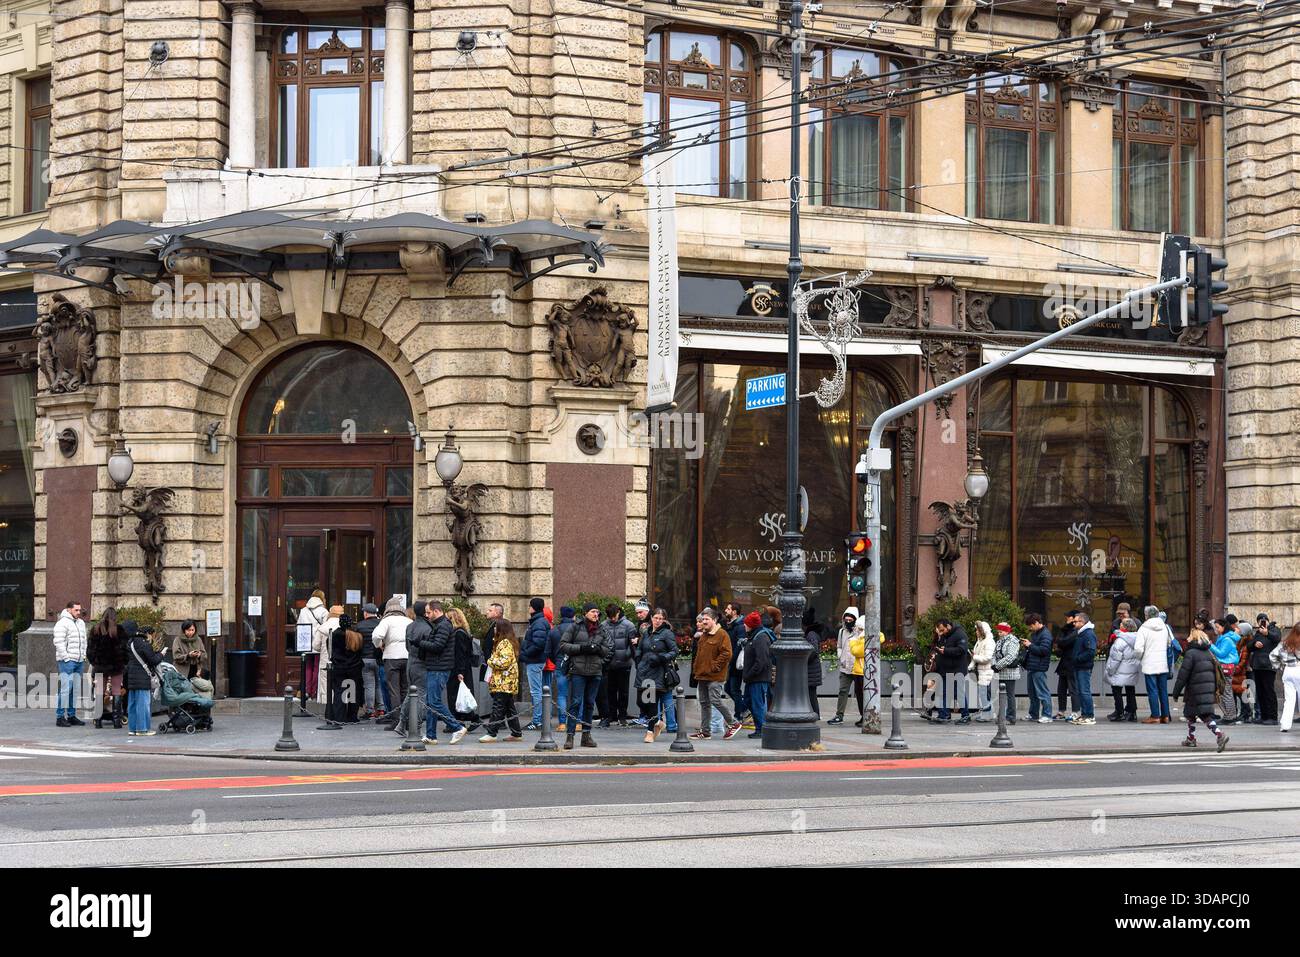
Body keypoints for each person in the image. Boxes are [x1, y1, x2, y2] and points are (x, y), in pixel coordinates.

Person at [412, 601, 468, 744]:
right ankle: (431, 735)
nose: (427, 615)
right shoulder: (441, 624)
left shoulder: (443, 625)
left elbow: (438, 646)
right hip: (436, 667)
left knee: (434, 702)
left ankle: (457, 727)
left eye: (428, 612)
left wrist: (420, 643)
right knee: (431, 703)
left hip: (439, 668)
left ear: (436, 611)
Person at [559, 603, 612, 748]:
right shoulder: (575, 626)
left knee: (589, 703)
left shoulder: (602, 629)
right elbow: (563, 645)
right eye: (593, 611)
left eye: (597, 612)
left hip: (595, 671)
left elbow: (608, 649)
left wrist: (598, 650)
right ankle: (570, 736)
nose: (596, 614)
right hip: (578, 671)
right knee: (575, 702)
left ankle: (586, 736)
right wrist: (582, 648)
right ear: (585, 613)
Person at [1172, 629, 1229, 751]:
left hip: (1195, 690)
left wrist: (1176, 692)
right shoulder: (1209, 652)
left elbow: (1183, 675)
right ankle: (1191, 738)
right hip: (1207, 689)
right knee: (1191, 714)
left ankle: (1219, 734)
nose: (1187, 638)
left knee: (1204, 716)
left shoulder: (1191, 653)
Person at [691, 607, 740, 740]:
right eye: (703, 619)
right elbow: (700, 655)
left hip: (715, 676)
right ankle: (705, 731)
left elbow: (727, 654)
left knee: (715, 700)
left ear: (714, 620)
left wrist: (714, 667)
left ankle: (734, 723)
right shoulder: (704, 635)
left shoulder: (722, 634)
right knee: (704, 703)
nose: (704, 621)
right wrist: (697, 668)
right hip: (702, 675)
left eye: (707, 619)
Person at [637, 608, 678, 742]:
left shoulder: (667, 633)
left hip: (658, 671)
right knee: (642, 702)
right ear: (651, 618)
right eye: (656, 618)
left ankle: (650, 732)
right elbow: (640, 648)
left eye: (661, 618)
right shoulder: (646, 632)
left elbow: (674, 651)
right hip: (644, 670)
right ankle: (658, 723)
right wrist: (638, 658)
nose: (658, 621)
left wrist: (661, 658)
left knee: (652, 702)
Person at [479, 620, 524, 742]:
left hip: (503, 682)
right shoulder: (507, 642)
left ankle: (491, 733)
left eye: (495, 628)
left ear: (501, 630)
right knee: (509, 708)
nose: (494, 630)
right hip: (506, 682)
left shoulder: (504, 643)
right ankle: (516, 733)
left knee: (498, 707)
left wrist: (490, 660)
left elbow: (503, 662)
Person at [371, 597, 410, 730]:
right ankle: (407, 720)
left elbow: (376, 636)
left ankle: (397, 721)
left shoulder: (386, 620)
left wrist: (380, 645)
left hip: (392, 657)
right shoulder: (408, 620)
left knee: (394, 691)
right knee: (406, 689)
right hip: (407, 657)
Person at [87, 607, 126, 729]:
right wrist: (123, 662)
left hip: (100, 666)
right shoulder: (119, 630)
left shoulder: (95, 629)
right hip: (116, 666)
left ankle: (98, 720)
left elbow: (90, 650)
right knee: (116, 691)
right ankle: (116, 721)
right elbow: (125, 650)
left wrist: (94, 662)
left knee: (99, 692)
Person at [599, 603, 637, 727]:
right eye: (610, 617)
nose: (613, 619)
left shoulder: (629, 625)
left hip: (624, 663)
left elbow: (632, 645)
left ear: (618, 612)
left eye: (614, 616)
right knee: (610, 691)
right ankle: (612, 715)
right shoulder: (604, 625)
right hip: (609, 664)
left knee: (623, 692)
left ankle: (622, 716)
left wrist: (626, 656)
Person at [1135, 605, 1174, 724]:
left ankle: (1155, 715)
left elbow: (1138, 649)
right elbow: (1170, 644)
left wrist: (1141, 658)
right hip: (1162, 663)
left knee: (1152, 690)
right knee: (1163, 690)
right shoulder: (1164, 627)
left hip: (1150, 663)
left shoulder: (1143, 628)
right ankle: (1165, 715)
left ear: (1146, 615)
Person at [123, 620, 162, 736]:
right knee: (143, 704)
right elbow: (153, 660)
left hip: (131, 678)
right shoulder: (143, 643)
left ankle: (132, 729)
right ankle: (142, 729)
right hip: (142, 678)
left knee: (132, 704)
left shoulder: (128, 643)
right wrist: (161, 654)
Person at [52, 600, 88, 727]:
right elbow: (58, 642)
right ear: (68, 610)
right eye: (76, 610)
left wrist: (83, 656)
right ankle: (60, 717)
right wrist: (66, 658)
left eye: (79, 610)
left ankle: (71, 715)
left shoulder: (81, 623)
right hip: (67, 661)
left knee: (75, 690)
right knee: (66, 689)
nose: (79, 612)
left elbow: (84, 641)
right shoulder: (62, 623)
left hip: (79, 661)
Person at [828, 607, 865, 726]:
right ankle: (839, 715)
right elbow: (839, 645)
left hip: (857, 667)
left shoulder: (860, 630)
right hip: (845, 666)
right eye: (846, 619)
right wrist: (840, 655)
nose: (848, 621)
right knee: (842, 691)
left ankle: (864, 716)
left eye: (851, 619)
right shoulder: (841, 631)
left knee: (861, 693)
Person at [742, 611, 775, 738]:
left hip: (758, 678)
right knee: (751, 703)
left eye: (746, 624)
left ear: (751, 625)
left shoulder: (761, 637)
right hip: (753, 678)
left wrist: (750, 674)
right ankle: (759, 728)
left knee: (758, 704)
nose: (744, 626)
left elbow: (762, 661)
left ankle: (762, 729)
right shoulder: (755, 635)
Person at [931, 618, 970, 724]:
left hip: (958, 669)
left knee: (959, 693)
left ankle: (965, 716)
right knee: (942, 693)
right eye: (939, 630)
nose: (941, 632)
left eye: (942, 630)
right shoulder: (943, 636)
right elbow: (937, 648)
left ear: (948, 626)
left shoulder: (960, 634)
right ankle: (944, 715)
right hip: (945, 669)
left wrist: (946, 651)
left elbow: (962, 650)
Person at [447, 607, 479, 730]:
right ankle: (470, 719)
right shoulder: (463, 632)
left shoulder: (458, 634)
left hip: (458, 669)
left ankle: (458, 722)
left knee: (454, 696)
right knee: (458, 696)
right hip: (462, 668)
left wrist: (459, 672)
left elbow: (460, 654)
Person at [1104, 617, 1141, 721]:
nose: (1119, 625)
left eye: (1121, 624)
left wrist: (1110, 670)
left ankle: (1119, 712)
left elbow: (1116, 658)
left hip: (1119, 669)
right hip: (1132, 669)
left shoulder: (1120, 640)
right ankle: (1132, 712)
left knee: (1116, 690)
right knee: (1130, 690)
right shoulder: (1138, 638)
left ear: (1125, 627)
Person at [329, 613, 364, 723]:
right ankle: (352, 716)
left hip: (339, 667)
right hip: (354, 667)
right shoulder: (356, 635)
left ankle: (340, 716)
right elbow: (360, 652)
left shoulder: (335, 634)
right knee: (353, 692)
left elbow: (331, 651)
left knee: (339, 692)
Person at [297, 589, 327, 706]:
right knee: (316, 667)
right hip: (318, 643)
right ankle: (314, 691)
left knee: (307, 667)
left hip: (305, 643)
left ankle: (306, 691)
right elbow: (325, 628)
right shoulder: (323, 611)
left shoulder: (303, 610)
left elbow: (299, 625)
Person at [1250, 613, 1281, 725]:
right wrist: (1254, 643)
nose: (1262, 623)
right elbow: (1249, 646)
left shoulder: (1274, 629)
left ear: (1267, 621)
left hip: (1269, 665)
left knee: (1269, 692)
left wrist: (1267, 633)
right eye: (1260, 621)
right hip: (1257, 665)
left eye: (1264, 621)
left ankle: (1273, 717)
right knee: (1260, 692)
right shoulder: (1257, 633)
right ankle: (1263, 716)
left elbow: (1277, 638)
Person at [548, 605, 576, 732]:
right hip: (576, 665)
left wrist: (557, 661)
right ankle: (578, 722)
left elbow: (548, 651)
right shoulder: (578, 629)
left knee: (562, 695)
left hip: (560, 665)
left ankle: (562, 723)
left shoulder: (554, 631)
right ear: (573, 616)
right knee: (577, 695)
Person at [354, 603, 384, 719]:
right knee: (379, 685)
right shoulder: (381, 623)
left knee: (369, 685)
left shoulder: (360, 625)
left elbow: (356, 642)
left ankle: (370, 710)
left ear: (366, 613)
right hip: (379, 659)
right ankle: (381, 709)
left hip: (365, 659)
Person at [1023, 613, 1053, 722]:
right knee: (1032, 693)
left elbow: (1044, 651)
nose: (1030, 628)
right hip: (1032, 666)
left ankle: (1047, 715)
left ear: (1036, 623)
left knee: (1042, 692)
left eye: (1031, 626)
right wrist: (1029, 645)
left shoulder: (1045, 634)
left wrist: (1030, 645)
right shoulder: (1036, 634)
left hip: (1039, 667)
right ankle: (1033, 714)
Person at [1209, 619, 1241, 724]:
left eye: (1218, 627)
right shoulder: (1224, 637)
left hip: (1226, 666)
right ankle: (1230, 715)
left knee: (1226, 692)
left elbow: (1221, 653)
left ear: (1224, 627)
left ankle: (1230, 717)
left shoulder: (1227, 639)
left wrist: (1210, 645)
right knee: (1226, 691)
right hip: (1226, 666)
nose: (1216, 629)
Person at [1269, 624, 1300, 732]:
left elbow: (1272, 655)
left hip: (1288, 671)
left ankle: (1285, 725)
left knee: (1289, 700)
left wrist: (1280, 666)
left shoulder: (1285, 643)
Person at [1069, 610, 1097, 724]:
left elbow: (1091, 651)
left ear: (1082, 622)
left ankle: (1089, 715)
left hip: (1084, 667)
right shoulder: (1082, 633)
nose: (1073, 624)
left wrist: (1077, 658)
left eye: (1075, 622)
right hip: (1079, 666)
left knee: (1084, 691)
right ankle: (1084, 714)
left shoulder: (1088, 633)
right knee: (1081, 691)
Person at [722, 602, 748, 721]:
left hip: (736, 663)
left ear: (734, 612)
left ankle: (739, 715)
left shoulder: (740, 626)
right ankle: (743, 709)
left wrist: (731, 660)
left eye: (728, 609)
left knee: (734, 689)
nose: (726, 610)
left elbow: (738, 646)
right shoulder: (731, 625)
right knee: (728, 689)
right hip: (731, 662)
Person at [992, 622, 1022, 724]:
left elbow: (1010, 657)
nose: (999, 633)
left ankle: (1011, 717)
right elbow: (994, 654)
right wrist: (994, 664)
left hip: (1010, 672)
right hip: (1001, 671)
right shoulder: (1000, 641)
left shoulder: (1012, 641)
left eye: (1001, 631)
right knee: (1001, 695)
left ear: (1007, 631)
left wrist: (997, 665)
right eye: (998, 631)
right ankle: (1002, 716)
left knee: (1010, 695)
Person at [970, 621, 997, 722]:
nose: (976, 631)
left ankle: (986, 715)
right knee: (984, 693)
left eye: (978, 630)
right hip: (982, 670)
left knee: (984, 693)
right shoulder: (980, 641)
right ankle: (988, 714)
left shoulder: (989, 641)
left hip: (987, 671)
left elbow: (987, 658)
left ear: (983, 631)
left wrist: (974, 657)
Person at [1053, 618, 1079, 721]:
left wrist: (1060, 642)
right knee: (1061, 689)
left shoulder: (1075, 631)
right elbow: (1059, 641)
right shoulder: (1067, 630)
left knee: (1073, 689)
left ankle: (1075, 712)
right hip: (1064, 663)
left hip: (1071, 663)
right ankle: (1061, 711)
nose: (1066, 619)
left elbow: (1063, 641)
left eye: (1068, 617)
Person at [802, 607, 824, 718]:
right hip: (812, 670)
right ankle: (815, 714)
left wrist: (804, 659)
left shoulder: (810, 634)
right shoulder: (812, 633)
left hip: (811, 670)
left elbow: (813, 650)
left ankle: (815, 714)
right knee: (811, 694)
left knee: (811, 694)